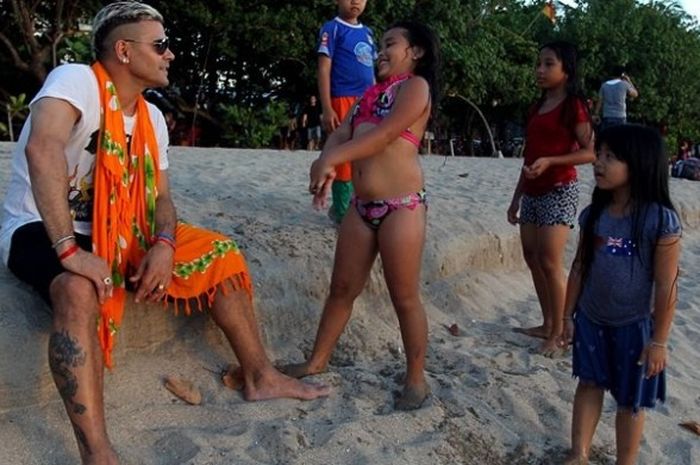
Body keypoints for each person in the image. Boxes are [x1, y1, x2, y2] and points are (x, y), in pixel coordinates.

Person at [0, 3, 329, 464]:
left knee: (220, 252)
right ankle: (97, 452)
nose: (170, 54)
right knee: (77, 290)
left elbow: (163, 200)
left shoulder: (152, 119)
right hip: (42, 227)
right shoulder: (77, 80)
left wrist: (164, 243)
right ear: (124, 51)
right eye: (159, 45)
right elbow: (43, 148)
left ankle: (260, 376)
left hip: (120, 228)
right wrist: (69, 250)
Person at [284, 21, 439, 411]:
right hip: (362, 205)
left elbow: (387, 134)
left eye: (391, 44)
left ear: (415, 52)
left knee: (404, 297)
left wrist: (334, 158)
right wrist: (326, 160)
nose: (381, 51)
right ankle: (317, 360)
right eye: (380, 45)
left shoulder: (415, 88)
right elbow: (342, 134)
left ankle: (416, 378)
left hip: (401, 206)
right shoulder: (370, 93)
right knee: (341, 289)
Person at [557, 125, 681, 465]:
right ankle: (578, 453)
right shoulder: (594, 215)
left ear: (639, 164)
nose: (599, 162)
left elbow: (667, 284)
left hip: (635, 326)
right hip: (592, 318)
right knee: (589, 383)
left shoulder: (660, 220)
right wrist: (567, 316)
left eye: (611, 157)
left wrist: (659, 341)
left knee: (630, 401)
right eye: (599, 154)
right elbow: (580, 266)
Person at [508, 41, 595, 355]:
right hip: (531, 190)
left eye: (548, 64)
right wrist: (515, 198)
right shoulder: (536, 106)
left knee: (549, 259)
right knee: (532, 257)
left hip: (560, 188)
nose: (540, 70)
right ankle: (547, 323)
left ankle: (559, 333)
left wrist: (552, 161)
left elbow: (590, 152)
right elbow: (530, 156)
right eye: (539, 64)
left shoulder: (574, 106)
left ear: (566, 70)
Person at [317, 0, 376, 223]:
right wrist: (326, 107)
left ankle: (360, 205)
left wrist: (377, 99)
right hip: (342, 98)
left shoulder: (369, 33)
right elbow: (324, 68)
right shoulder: (332, 28)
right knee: (343, 157)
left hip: (367, 101)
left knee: (366, 153)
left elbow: (372, 71)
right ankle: (342, 212)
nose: (355, 1)